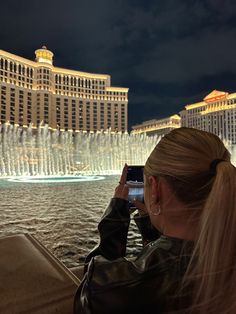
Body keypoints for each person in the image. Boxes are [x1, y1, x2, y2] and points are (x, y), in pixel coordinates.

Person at [74, 127, 236, 314]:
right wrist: (150, 224)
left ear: (156, 188)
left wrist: (117, 213)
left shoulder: (115, 289)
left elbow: (90, 286)